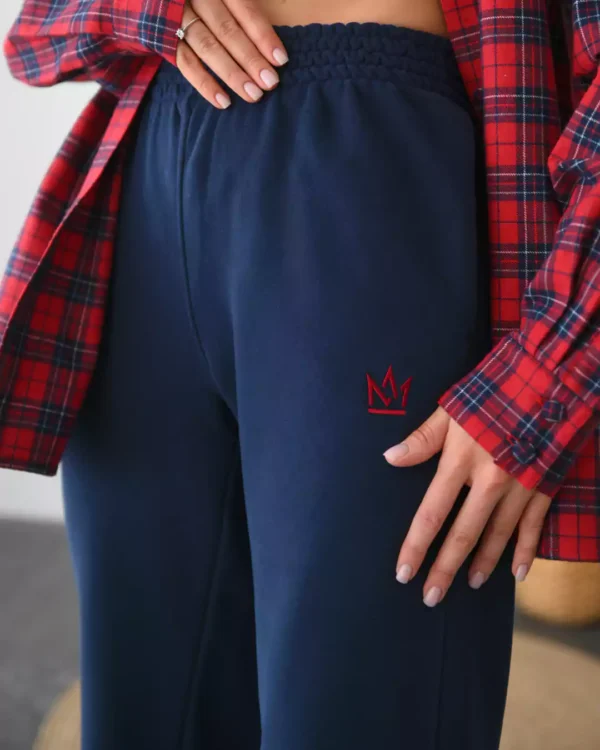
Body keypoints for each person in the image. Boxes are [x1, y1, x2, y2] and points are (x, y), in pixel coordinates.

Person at [1, 0, 598, 748]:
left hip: (375, 169)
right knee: (141, 708)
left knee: (358, 711)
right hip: (154, 163)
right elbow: (35, 33)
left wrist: (546, 371)